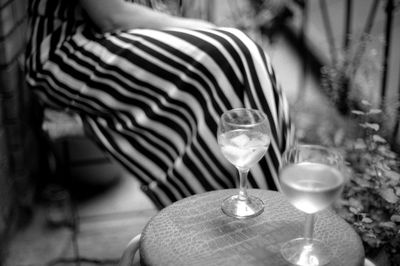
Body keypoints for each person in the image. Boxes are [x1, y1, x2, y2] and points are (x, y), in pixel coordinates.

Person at [26, 0, 294, 209]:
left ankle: (251, 205)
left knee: (239, 57)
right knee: (235, 51)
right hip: (69, 49)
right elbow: (111, 15)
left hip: (118, 33)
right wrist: (202, 27)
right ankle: (269, 207)